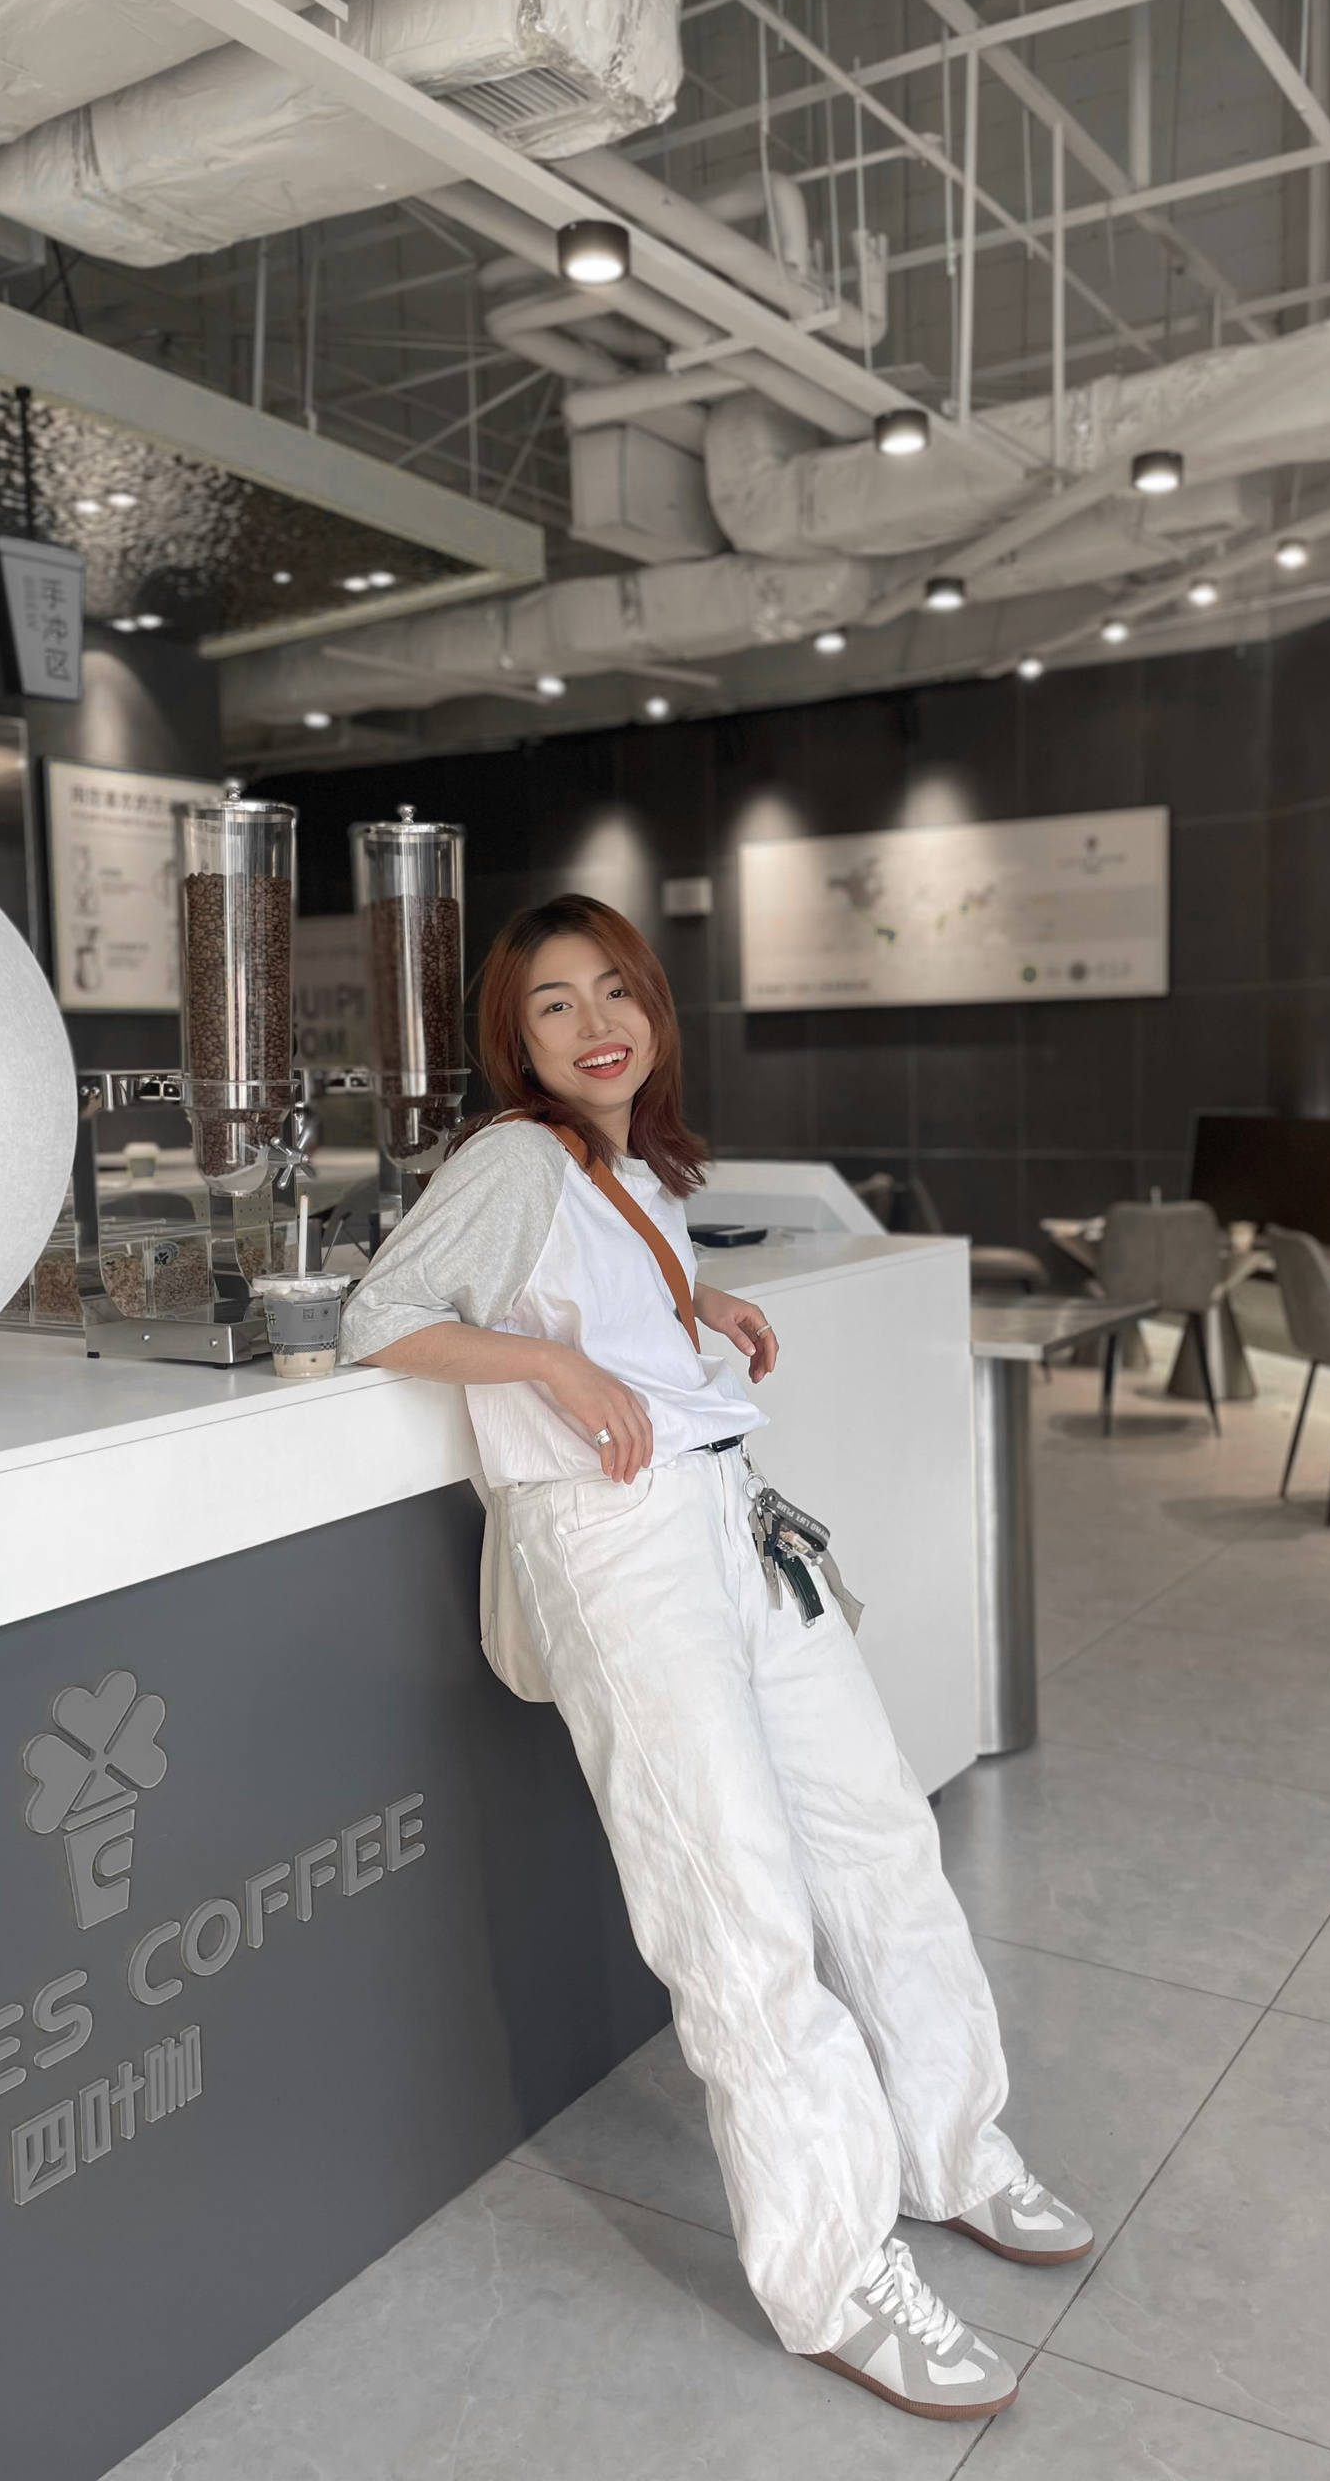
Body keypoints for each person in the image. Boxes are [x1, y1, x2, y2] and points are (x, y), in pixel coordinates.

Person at [338, 892, 1091, 2422]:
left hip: (728, 1515)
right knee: (734, 1902)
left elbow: (601, 1287)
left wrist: (693, 1299)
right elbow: (381, 1315)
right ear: (514, 1040)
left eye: (615, 990)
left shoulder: (629, 1167)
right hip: (615, 1542)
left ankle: (951, 2146)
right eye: (554, 1004)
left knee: (874, 1836)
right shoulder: (512, 1155)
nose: (595, 1024)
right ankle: (835, 2270)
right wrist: (549, 1364)